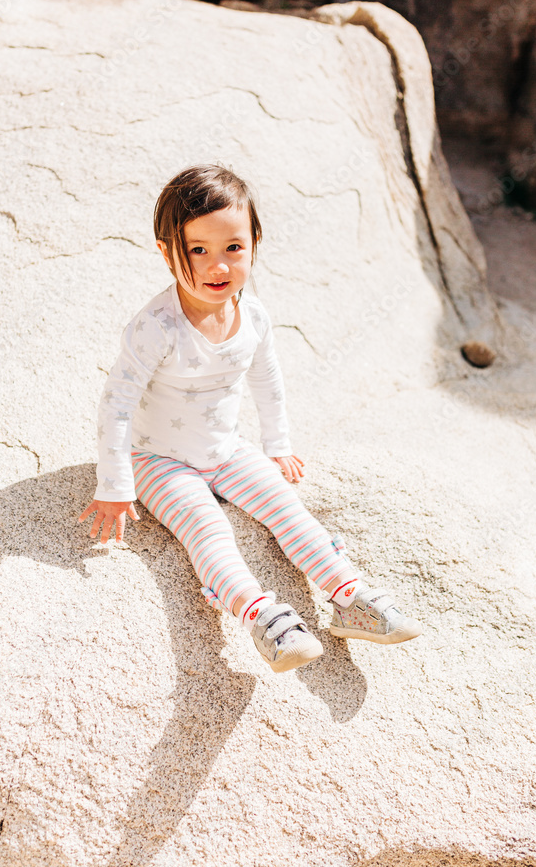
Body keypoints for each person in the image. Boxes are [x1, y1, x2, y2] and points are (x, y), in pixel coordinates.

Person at [79, 164, 422, 672]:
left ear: (255, 244)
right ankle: (262, 618)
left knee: (287, 508)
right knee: (208, 528)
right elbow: (117, 403)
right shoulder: (156, 326)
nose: (218, 265)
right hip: (156, 459)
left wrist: (277, 445)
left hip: (226, 449)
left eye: (233, 247)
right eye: (198, 250)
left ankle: (349, 596)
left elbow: (267, 379)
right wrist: (115, 482)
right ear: (167, 252)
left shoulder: (253, 316)